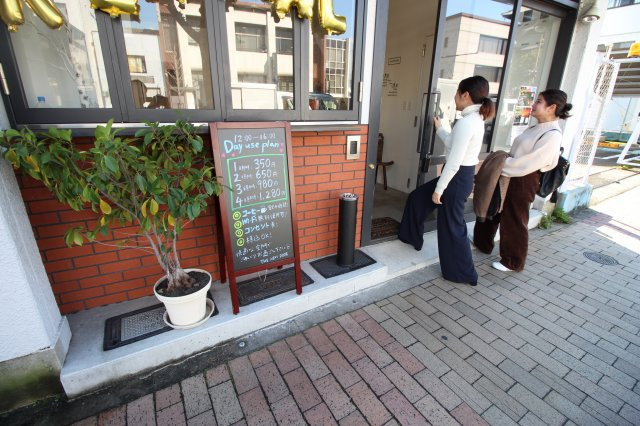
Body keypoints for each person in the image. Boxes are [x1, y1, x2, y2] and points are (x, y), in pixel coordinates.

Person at [398, 76, 495, 286]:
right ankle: (411, 237)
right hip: (459, 177)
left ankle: (464, 273)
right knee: (417, 198)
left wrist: (439, 189)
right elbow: (452, 143)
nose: (455, 98)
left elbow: (453, 161)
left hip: (456, 178)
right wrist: (440, 128)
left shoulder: (467, 123)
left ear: (465, 95)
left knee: (452, 227)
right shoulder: (473, 119)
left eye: (457, 93)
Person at [474, 89, 572, 272]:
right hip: (510, 174)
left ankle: (513, 261)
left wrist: (500, 165)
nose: (534, 105)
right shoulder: (536, 127)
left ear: (552, 107)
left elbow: (530, 163)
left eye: (539, 101)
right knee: (493, 209)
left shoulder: (552, 134)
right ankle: (483, 243)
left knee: (515, 218)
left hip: (524, 179)